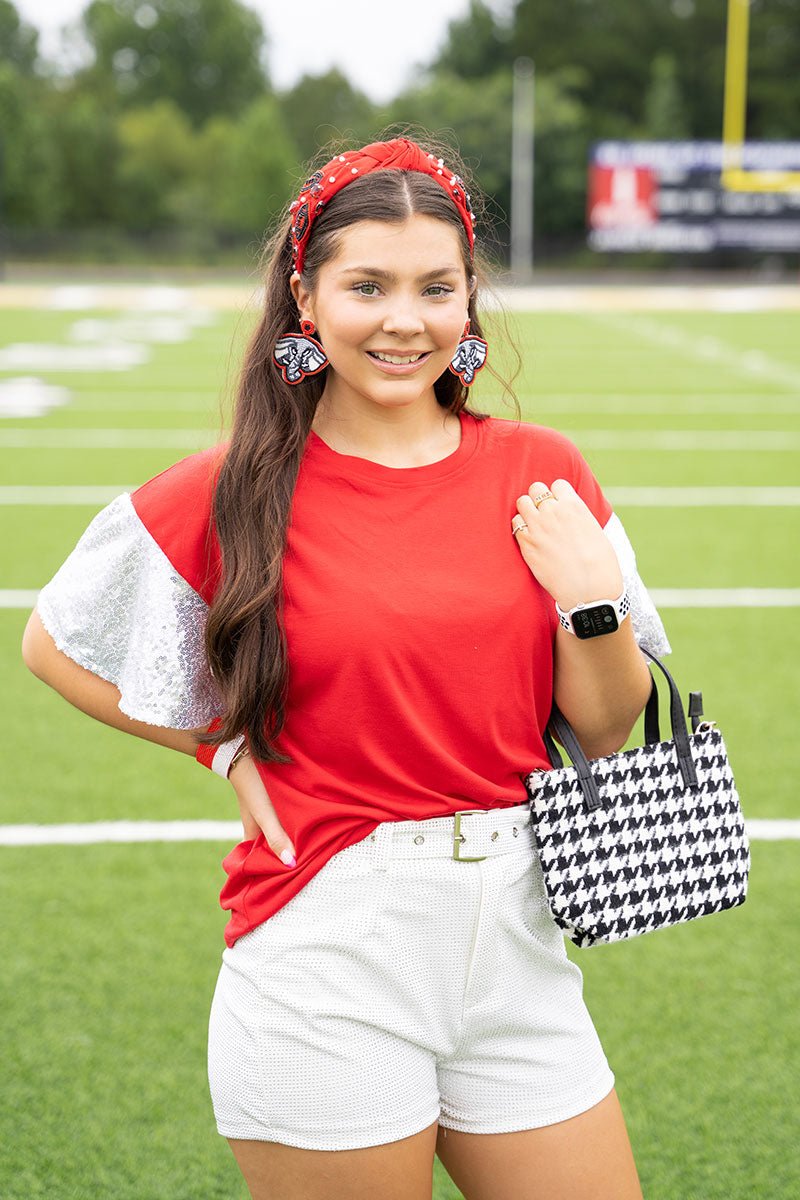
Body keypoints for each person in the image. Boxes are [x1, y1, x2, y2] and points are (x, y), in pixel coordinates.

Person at [22, 135, 670, 1200]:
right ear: (306, 299)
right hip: (328, 946)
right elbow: (53, 643)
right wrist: (223, 745)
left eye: (435, 288)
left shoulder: (541, 471)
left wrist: (589, 594)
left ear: (469, 302)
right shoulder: (227, 489)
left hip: (520, 936)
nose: (403, 320)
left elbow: (602, 729)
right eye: (365, 286)